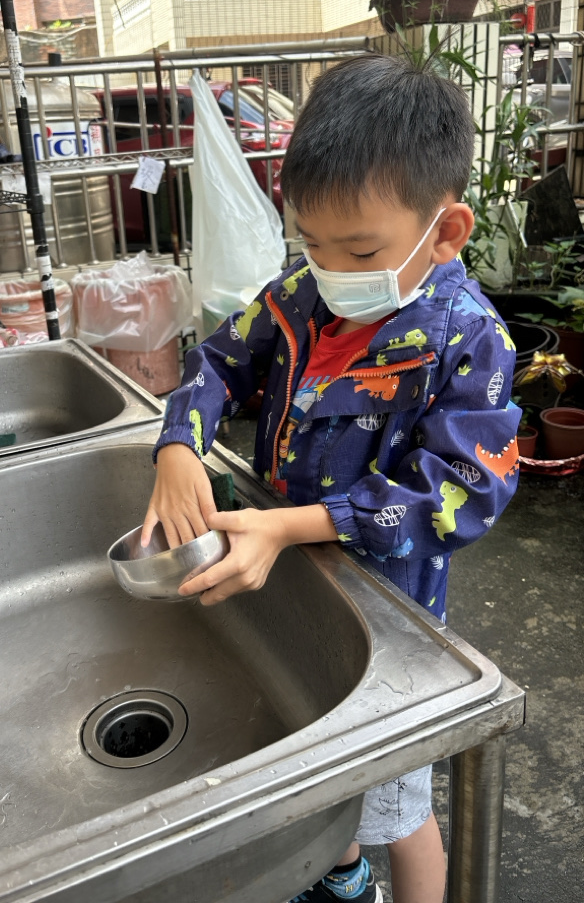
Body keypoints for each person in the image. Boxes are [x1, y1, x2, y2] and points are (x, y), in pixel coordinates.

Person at [141, 54, 521, 903]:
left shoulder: (469, 342)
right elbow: (216, 363)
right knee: (321, 766)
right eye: (311, 242)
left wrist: (293, 524)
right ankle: (341, 874)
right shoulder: (297, 299)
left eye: (361, 249)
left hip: (388, 614)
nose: (333, 268)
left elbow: (459, 493)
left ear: (446, 232)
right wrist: (178, 446)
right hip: (287, 573)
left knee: (397, 805)